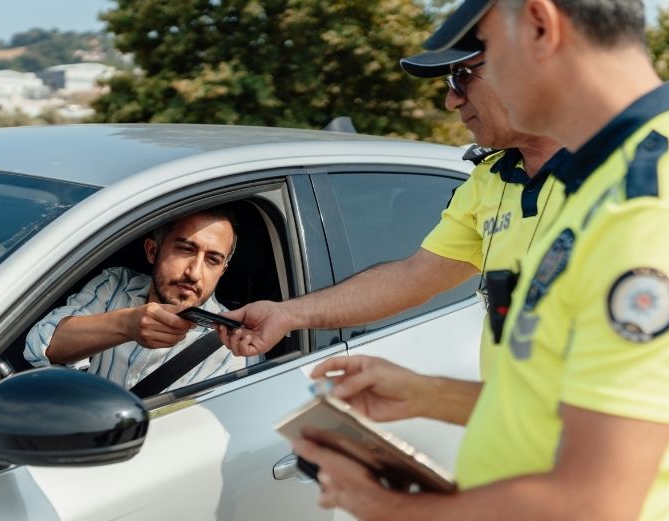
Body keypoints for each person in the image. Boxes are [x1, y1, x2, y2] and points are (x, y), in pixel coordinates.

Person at [292, 2, 669, 521]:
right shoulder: (597, 178)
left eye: (478, 56)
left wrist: (391, 509)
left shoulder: (651, 208)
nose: (451, 98)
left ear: (541, 26)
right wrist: (425, 394)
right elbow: (568, 401)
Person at [220, 46, 566, 402]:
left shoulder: (617, 178)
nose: (451, 101)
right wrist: (286, 314)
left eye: (461, 78)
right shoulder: (490, 180)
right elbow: (413, 277)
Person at [24, 208, 246, 393]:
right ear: (152, 250)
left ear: (222, 271)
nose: (194, 273)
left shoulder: (233, 348)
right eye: (185, 249)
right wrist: (126, 324)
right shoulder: (115, 285)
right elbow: (40, 344)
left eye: (212, 260)